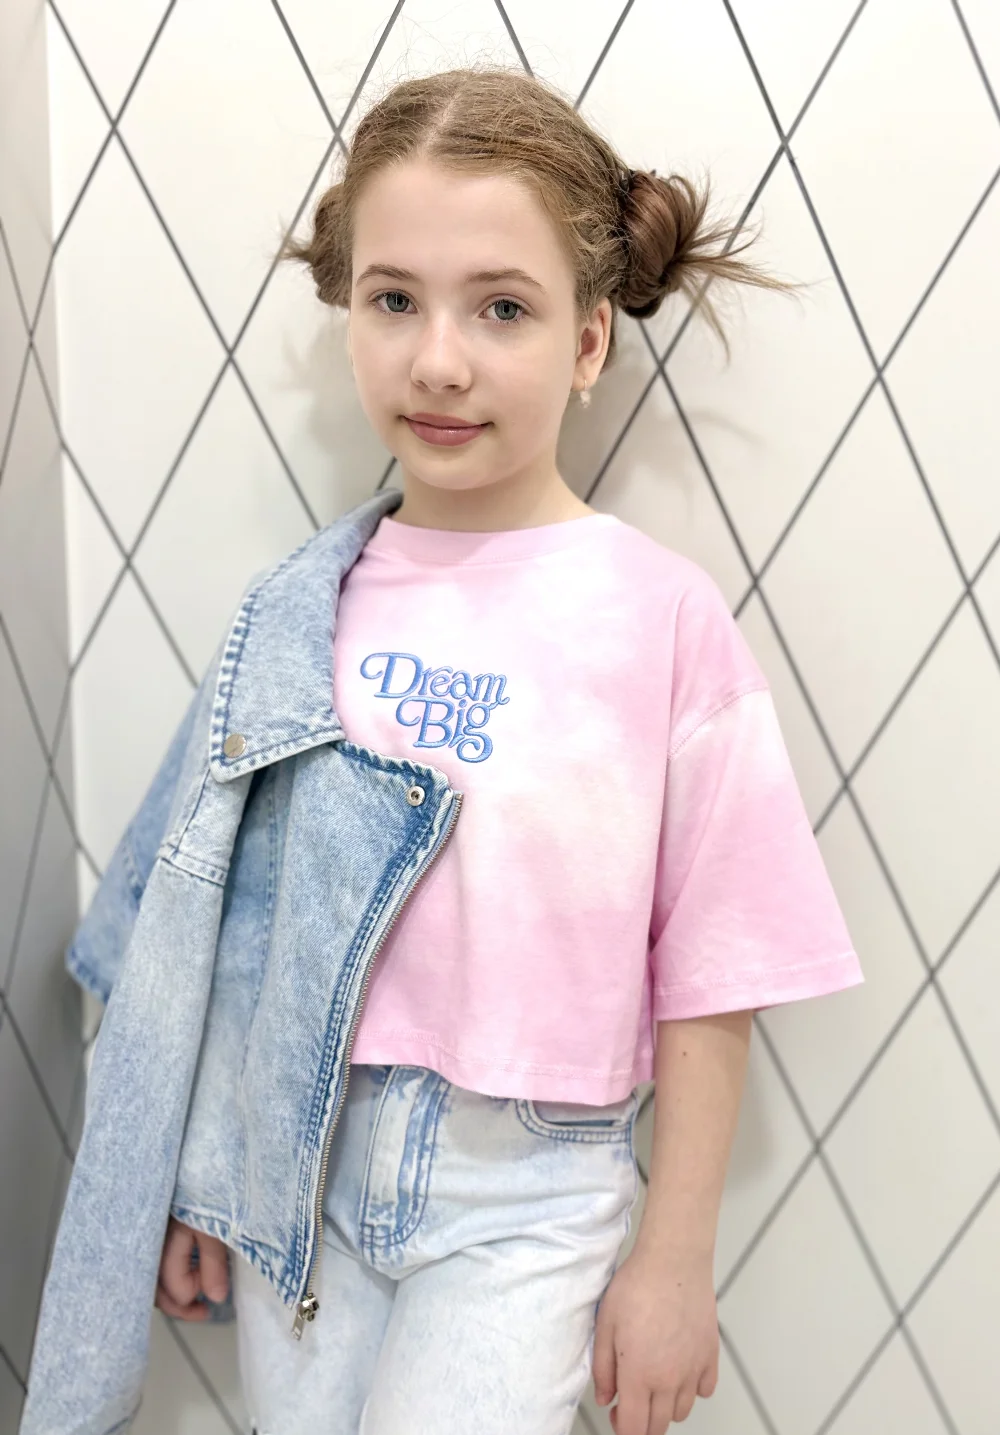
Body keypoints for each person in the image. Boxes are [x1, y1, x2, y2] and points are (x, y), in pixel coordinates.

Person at [22, 65, 863, 1435]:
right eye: (394, 299)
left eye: (503, 308)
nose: (439, 361)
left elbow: (721, 965)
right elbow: (223, 920)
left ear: (590, 340)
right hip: (304, 1170)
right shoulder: (300, 614)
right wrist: (202, 1173)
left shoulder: (659, 618)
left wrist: (674, 1257)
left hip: (529, 1194)